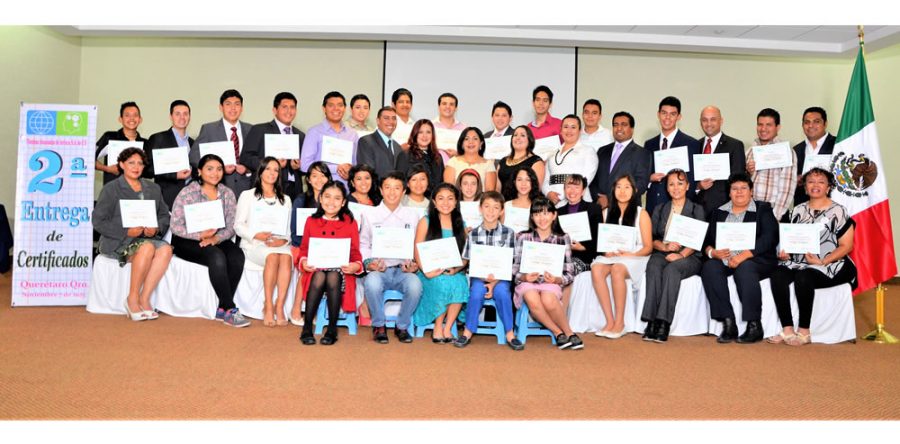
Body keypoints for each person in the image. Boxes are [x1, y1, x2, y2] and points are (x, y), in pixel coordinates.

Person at [768, 167, 857, 346]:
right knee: (777, 274)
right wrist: (784, 253)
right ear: (805, 187)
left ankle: (804, 331)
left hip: (831, 263)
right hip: (798, 262)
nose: (815, 185)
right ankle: (787, 329)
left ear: (829, 187)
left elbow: (847, 246)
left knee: (804, 276)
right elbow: (785, 240)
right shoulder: (796, 211)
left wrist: (823, 261)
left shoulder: (839, 211)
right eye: (810, 182)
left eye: (821, 182)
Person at [92, 147, 171, 321]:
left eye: (140, 163)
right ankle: (132, 298)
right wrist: (126, 230)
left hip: (145, 238)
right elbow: (98, 221)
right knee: (147, 247)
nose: (136, 167)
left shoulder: (153, 188)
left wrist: (156, 228)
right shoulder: (111, 189)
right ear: (121, 164)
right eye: (131, 163)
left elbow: (164, 215)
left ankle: (144, 298)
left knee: (166, 250)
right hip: (118, 241)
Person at [169, 154, 249, 328]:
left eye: (219, 169)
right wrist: (199, 235)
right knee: (216, 256)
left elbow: (230, 226)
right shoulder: (188, 192)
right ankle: (230, 308)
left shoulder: (227, 194)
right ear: (199, 171)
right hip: (187, 240)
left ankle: (222, 308)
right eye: (210, 169)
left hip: (216, 237)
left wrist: (215, 238)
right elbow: (175, 225)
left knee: (237, 255)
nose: (215, 173)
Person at [701, 172, 779, 344]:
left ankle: (754, 325)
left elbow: (770, 237)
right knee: (709, 267)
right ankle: (728, 323)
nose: (739, 192)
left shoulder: (763, 209)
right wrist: (712, 252)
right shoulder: (718, 212)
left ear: (751, 191)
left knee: (745, 268)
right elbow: (705, 240)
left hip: (755, 259)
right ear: (729, 192)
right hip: (725, 259)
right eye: (734, 188)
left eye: (744, 188)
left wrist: (745, 255)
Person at [640, 169, 706, 342]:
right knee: (653, 265)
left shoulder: (696, 209)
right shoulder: (660, 209)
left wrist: (681, 255)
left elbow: (697, 240)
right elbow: (653, 238)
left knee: (672, 270)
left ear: (687, 186)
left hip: (689, 255)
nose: (676, 188)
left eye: (680, 183)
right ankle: (651, 320)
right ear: (667, 188)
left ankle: (663, 322)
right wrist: (664, 246)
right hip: (664, 251)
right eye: (671, 184)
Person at [296, 181, 363, 346]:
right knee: (319, 276)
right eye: (327, 197)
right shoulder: (311, 221)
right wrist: (304, 262)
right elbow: (304, 249)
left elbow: (355, 252)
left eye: (337, 198)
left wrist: (355, 265)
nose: (331, 202)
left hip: (341, 271)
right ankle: (306, 327)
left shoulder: (350, 222)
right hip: (316, 269)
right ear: (320, 198)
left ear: (343, 202)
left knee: (333, 276)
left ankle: (332, 328)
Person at [360, 170, 422, 344]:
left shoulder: (413, 215)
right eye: (387, 187)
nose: (392, 192)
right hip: (379, 269)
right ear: (380, 190)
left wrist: (414, 264)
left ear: (403, 192)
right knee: (371, 283)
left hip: (403, 270)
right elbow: (364, 243)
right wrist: (369, 263)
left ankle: (401, 326)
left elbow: (417, 245)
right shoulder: (369, 214)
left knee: (415, 286)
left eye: (397, 188)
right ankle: (379, 325)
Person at [455, 191, 522, 350]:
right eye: (487, 206)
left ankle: (510, 333)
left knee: (502, 293)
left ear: (502, 211)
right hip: (479, 276)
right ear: (480, 208)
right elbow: (467, 259)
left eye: (495, 208)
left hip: (501, 278)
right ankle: (468, 331)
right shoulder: (473, 234)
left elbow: (514, 262)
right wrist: (452, 268)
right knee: (476, 293)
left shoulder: (509, 233)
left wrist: (495, 281)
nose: (491, 211)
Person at [511, 196, 581, 350]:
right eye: (537, 214)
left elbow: (569, 272)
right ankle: (558, 332)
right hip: (527, 283)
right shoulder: (522, 237)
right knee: (531, 296)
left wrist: (557, 279)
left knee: (548, 299)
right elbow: (514, 269)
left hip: (550, 283)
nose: (541, 218)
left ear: (554, 215)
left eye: (545, 213)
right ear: (532, 217)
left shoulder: (563, 238)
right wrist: (524, 277)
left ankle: (568, 332)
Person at [590, 174, 652, 339]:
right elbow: (601, 244)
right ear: (613, 190)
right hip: (613, 255)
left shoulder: (641, 214)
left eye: (627, 187)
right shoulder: (606, 212)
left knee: (617, 269)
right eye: (618, 187)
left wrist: (631, 254)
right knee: (596, 268)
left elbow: (648, 247)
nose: (622, 191)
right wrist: (605, 252)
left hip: (635, 255)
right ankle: (609, 321)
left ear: (634, 190)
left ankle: (620, 323)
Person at [234, 157, 293, 327]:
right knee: (273, 257)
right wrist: (256, 235)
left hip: (279, 243)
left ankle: (279, 305)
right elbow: (238, 225)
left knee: (286, 257)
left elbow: (288, 231)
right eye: (268, 169)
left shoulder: (285, 199)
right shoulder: (248, 195)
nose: (272, 173)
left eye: (276, 170)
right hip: (255, 244)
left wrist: (282, 240)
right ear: (260, 172)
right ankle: (268, 304)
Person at [413, 183, 469, 343]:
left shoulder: (461, 225)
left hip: (453, 270)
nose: (446, 203)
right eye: (441, 199)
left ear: (456, 202)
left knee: (460, 283)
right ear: (434, 202)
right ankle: (438, 327)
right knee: (441, 283)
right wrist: (426, 271)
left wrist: (457, 269)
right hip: (429, 271)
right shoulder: (426, 221)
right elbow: (417, 250)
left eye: (450, 198)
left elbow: (466, 255)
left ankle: (448, 327)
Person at [287, 161, 333, 324]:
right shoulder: (301, 200)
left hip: (325, 247)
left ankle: (319, 312)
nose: (319, 180)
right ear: (308, 180)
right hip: (302, 246)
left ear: (328, 179)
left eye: (323, 176)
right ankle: (296, 309)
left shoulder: (332, 200)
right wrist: (308, 249)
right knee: (309, 266)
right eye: (314, 176)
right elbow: (295, 232)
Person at [190, 89, 254, 198]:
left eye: (237, 104)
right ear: (221, 107)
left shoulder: (251, 129)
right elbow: (194, 157)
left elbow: (258, 158)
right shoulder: (209, 129)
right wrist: (219, 168)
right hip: (218, 188)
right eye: (228, 104)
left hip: (247, 189)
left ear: (242, 108)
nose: (233, 108)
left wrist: (247, 168)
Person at [241, 92, 306, 200]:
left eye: (292, 107)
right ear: (275, 110)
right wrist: (270, 165)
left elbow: (305, 168)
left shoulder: (301, 135)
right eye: (284, 107)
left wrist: (298, 166)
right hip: (267, 188)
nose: (289, 111)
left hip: (294, 190)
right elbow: (245, 158)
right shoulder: (260, 130)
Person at [644, 96, 700, 216]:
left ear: (679, 117)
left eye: (672, 114)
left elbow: (692, 179)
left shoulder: (691, 144)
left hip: (679, 209)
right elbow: (645, 174)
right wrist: (649, 178)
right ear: (658, 114)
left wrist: (685, 210)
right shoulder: (649, 144)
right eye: (664, 113)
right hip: (653, 207)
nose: (667, 118)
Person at [745, 108, 797, 221]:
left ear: (777, 127)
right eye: (760, 124)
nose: (763, 129)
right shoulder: (750, 151)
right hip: (750, 211)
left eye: (769, 125)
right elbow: (743, 185)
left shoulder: (785, 151)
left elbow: (787, 188)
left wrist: (775, 216)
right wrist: (749, 172)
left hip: (772, 212)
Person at [695, 106, 746, 218]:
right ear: (700, 122)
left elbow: (738, 181)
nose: (708, 123)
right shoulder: (694, 146)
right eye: (704, 120)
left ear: (721, 121)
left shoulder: (735, 146)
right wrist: (698, 186)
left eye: (713, 119)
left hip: (724, 210)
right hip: (697, 211)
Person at [301, 91, 359, 188]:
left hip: (346, 191)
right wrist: (336, 168)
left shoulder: (352, 134)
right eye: (331, 105)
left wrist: (351, 173)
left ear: (345, 108)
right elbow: (305, 165)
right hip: (321, 192)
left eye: (340, 105)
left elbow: (356, 165)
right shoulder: (314, 132)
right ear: (324, 108)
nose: (336, 109)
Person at [591, 111, 649, 209]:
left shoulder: (642, 153)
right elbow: (593, 179)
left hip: (627, 209)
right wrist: (598, 197)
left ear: (632, 129)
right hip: (601, 208)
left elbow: (641, 184)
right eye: (615, 125)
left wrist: (616, 198)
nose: (619, 128)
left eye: (624, 125)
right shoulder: (602, 151)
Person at [144, 99, 194, 209]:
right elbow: (146, 170)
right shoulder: (158, 139)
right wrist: (174, 175)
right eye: (177, 114)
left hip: (192, 199)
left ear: (189, 117)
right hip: (167, 198)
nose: (182, 117)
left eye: (185, 114)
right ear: (171, 116)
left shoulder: (193, 143)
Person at [543, 115, 598, 207]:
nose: (569, 131)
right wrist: (548, 193)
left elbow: (586, 179)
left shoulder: (588, 151)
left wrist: (562, 196)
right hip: (552, 203)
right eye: (565, 127)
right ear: (560, 130)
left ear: (580, 131)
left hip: (577, 202)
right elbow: (545, 178)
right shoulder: (552, 151)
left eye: (573, 127)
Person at [556, 174, 603, 275]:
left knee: (566, 271)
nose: (572, 191)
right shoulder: (558, 212)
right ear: (564, 190)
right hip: (562, 256)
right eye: (569, 187)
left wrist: (582, 247)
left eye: (576, 187)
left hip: (584, 256)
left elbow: (599, 240)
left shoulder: (594, 209)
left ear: (583, 191)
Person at [793, 107, 837, 206]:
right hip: (803, 208)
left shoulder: (839, 145)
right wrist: (795, 180)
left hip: (833, 206)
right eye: (807, 122)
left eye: (816, 121)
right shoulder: (795, 150)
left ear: (825, 124)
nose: (811, 125)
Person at [95, 101, 147, 185]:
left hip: (136, 191)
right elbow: (88, 159)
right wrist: (108, 169)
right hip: (112, 190)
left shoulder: (145, 143)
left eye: (135, 115)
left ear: (140, 119)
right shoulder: (109, 137)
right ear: (120, 119)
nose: (132, 118)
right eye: (127, 115)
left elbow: (149, 170)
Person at [396, 119, 444, 196]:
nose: (424, 136)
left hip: (434, 203)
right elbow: (399, 183)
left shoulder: (438, 157)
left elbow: (441, 184)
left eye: (428, 132)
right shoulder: (405, 155)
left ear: (432, 135)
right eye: (420, 132)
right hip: (410, 202)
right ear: (415, 134)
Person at [356, 106, 404, 180]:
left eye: (394, 118)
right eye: (386, 118)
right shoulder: (366, 142)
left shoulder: (398, 147)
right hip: (375, 190)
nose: (391, 122)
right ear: (378, 121)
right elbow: (367, 175)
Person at [443, 127, 497, 191]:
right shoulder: (453, 162)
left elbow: (489, 193)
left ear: (481, 144)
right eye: (466, 139)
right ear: (462, 144)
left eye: (475, 139)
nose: (471, 142)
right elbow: (449, 191)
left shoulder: (488, 164)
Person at [497, 125, 545, 191]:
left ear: (529, 140)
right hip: (503, 201)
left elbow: (536, 189)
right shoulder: (503, 161)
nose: (518, 138)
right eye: (515, 135)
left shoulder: (536, 161)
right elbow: (497, 189)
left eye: (522, 135)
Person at [502, 167, 542, 233]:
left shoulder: (538, 207)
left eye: (528, 180)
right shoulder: (506, 205)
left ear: (532, 182)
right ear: (514, 182)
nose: (523, 184)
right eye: (519, 180)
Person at [432, 92, 466, 162]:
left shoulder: (464, 129)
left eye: (451, 104)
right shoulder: (430, 126)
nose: (448, 107)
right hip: (434, 167)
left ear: (456, 108)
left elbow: (469, 151)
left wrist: (458, 154)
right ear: (439, 107)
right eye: (444, 104)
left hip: (458, 167)